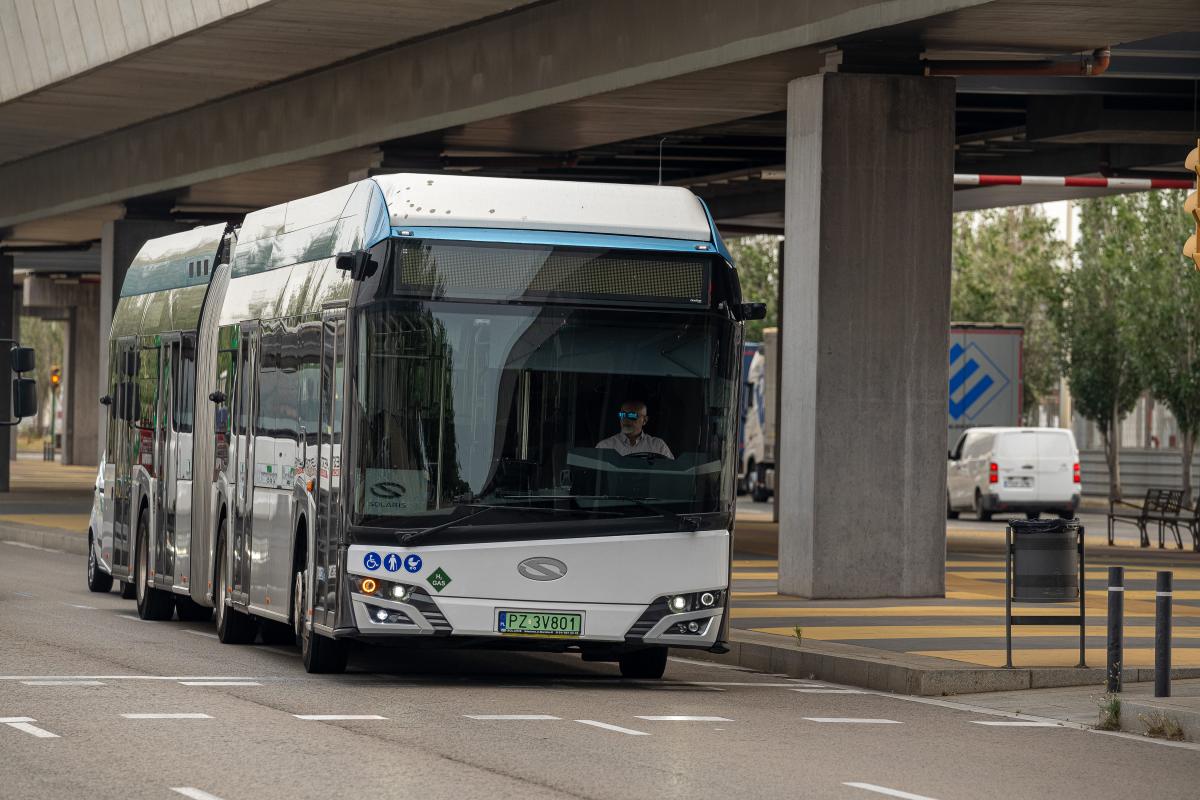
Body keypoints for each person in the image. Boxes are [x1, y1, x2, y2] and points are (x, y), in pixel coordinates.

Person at [595, 400, 674, 459]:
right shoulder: (605, 446)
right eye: (622, 414)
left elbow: (671, 472)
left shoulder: (658, 446)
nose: (625, 419)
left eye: (632, 415)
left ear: (645, 420)